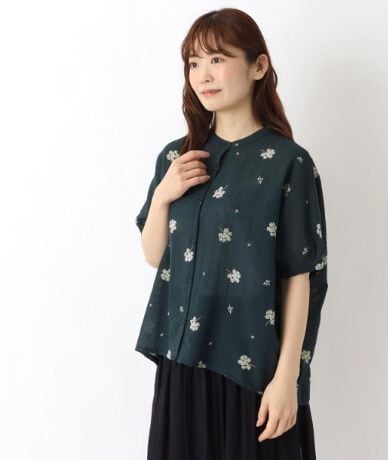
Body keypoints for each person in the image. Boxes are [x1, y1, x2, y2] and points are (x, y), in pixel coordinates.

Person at [135, 7, 328, 460]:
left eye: (217, 59)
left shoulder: (289, 162)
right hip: (183, 362)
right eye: (194, 63)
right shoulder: (176, 158)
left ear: (258, 66)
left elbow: (299, 276)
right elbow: (155, 256)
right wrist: (163, 196)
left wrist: (287, 378)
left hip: (253, 364)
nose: (203, 75)